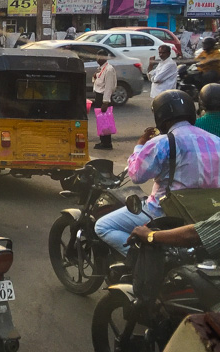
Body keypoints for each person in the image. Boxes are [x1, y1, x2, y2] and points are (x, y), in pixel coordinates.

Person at [94, 89, 220, 256]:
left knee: (103, 226)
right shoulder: (216, 141)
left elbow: (136, 175)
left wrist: (139, 146)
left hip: (164, 211)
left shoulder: (163, 143)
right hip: (207, 212)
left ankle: (142, 263)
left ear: (161, 116)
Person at [91, 50, 117, 149]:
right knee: (101, 121)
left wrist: (105, 102)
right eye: (97, 56)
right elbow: (97, 81)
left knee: (105, 121)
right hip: (98, 95)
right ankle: (103, 141)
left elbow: (109, 87)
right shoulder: (101, 68)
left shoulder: (109, 69)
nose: (98, 59)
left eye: (101, 57)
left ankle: (107, 143)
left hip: (103, 97)